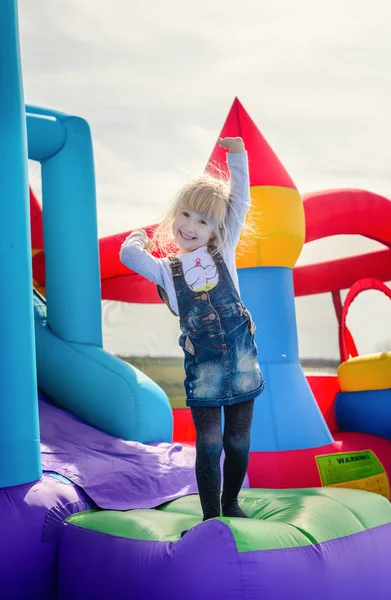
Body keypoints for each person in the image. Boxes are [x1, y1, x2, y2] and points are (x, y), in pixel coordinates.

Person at [120, 137, 264, 532]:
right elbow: (129, 256)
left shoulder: (225, 249)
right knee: (209, 443)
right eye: (185, 214)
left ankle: (231, 501)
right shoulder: (167, 269)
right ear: (174, 216)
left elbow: (242, 201)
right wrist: (141, 236)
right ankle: (210, 517)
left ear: (217, 228)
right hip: (205, 365)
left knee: (237, 442)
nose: (191, 226)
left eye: (203, 220)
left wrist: (237, 156)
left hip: (242, 358)